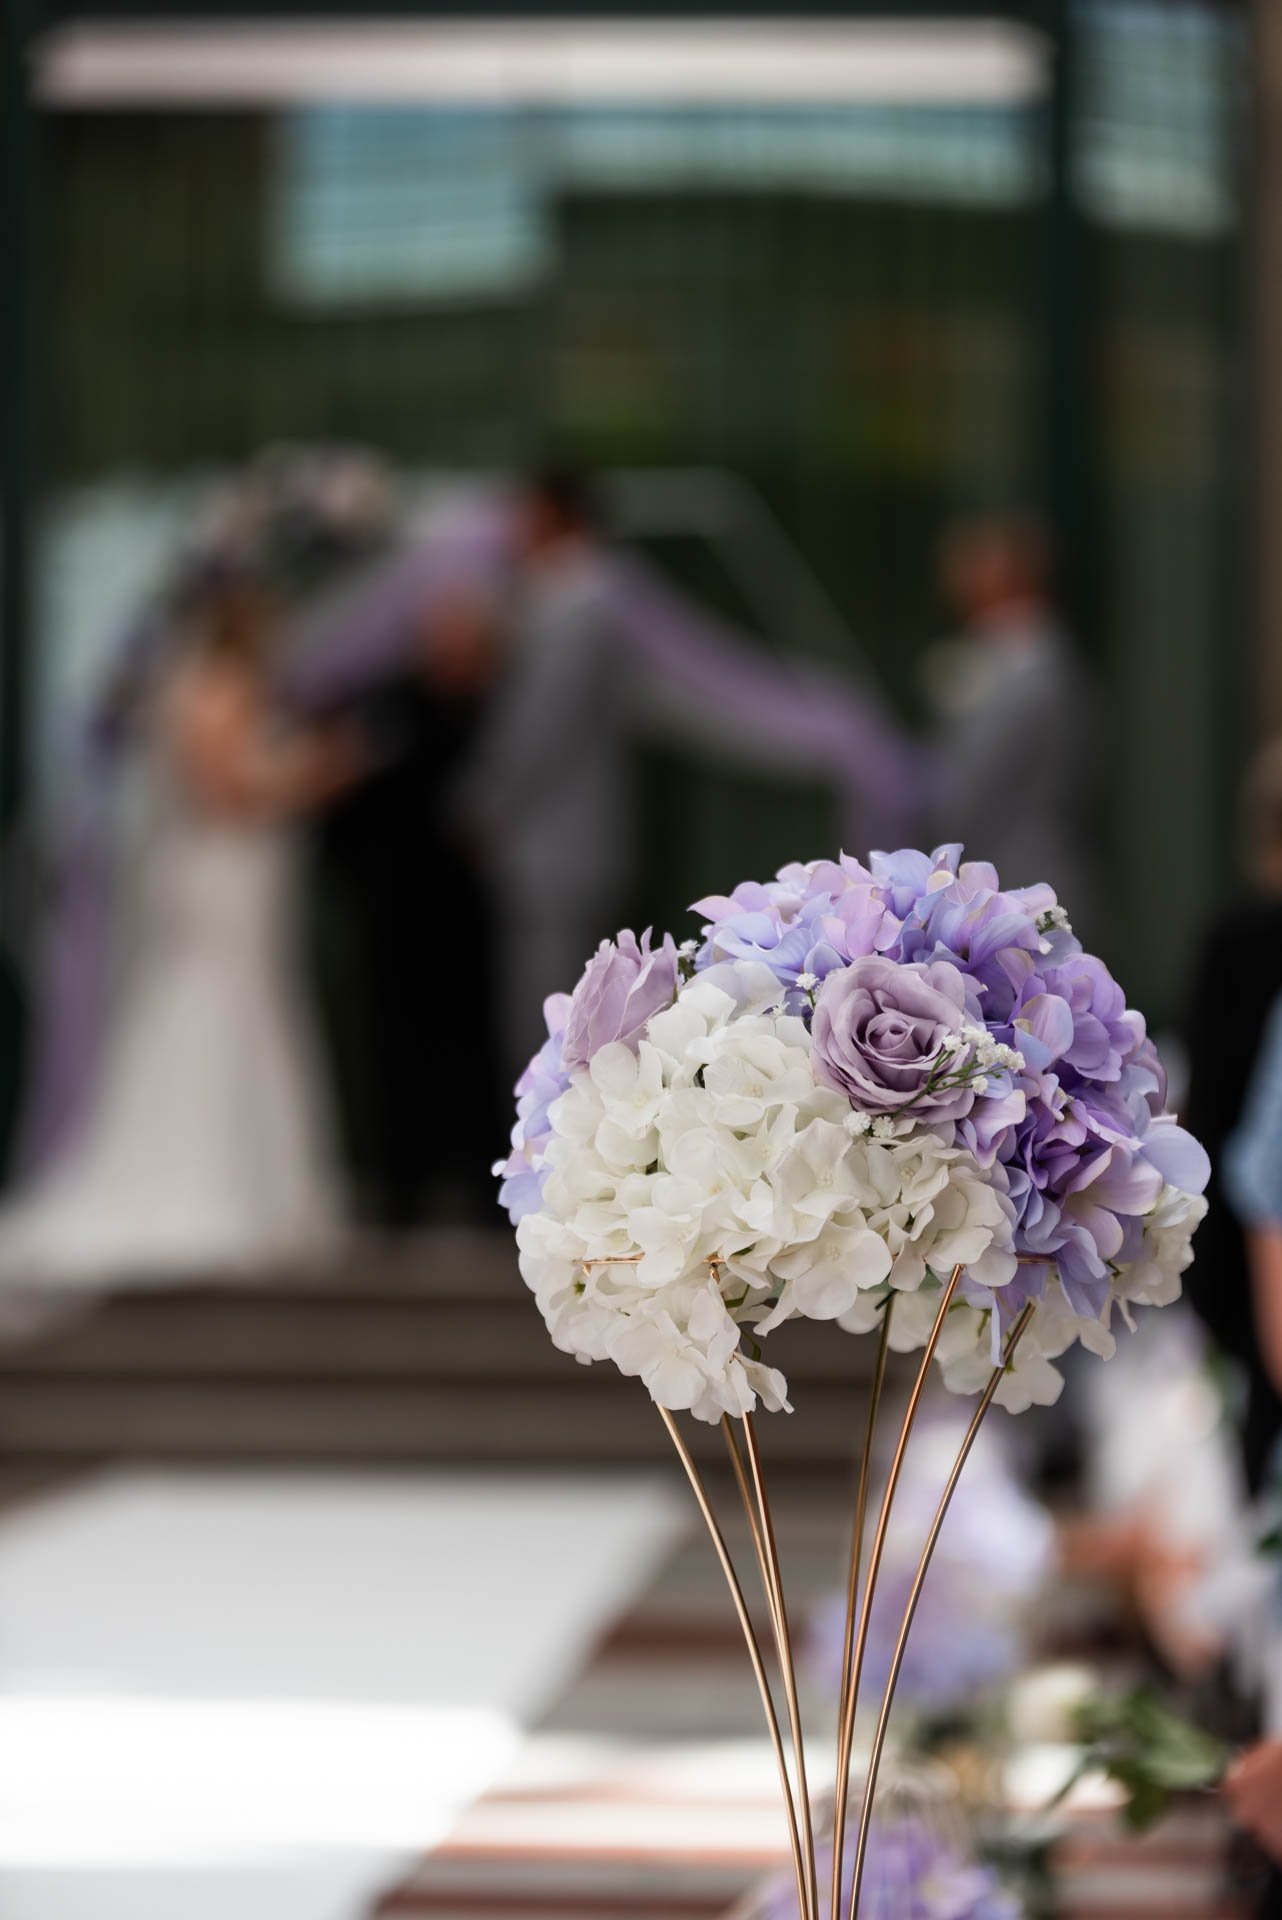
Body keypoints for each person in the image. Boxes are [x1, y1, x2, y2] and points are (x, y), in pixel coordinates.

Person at [0, 574, 359, 1299]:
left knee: (244, 1016)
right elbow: (227, 792)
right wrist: (310, 773)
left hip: (233, 881)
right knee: (218, 1017)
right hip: (223, 880)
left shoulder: (205, 688)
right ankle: (219, 1193)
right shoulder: (218, 691)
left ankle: (258, 1192)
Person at [310, 590, 503, 1228]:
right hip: (393, 909)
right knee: (393, 1048)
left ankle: (480, 1188)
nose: (451, 652)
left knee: (469, 1048)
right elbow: (345, 805)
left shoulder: (496, 711)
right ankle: (400, 1190)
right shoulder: (389, 708)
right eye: (442, 639)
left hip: (464, 913)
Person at [456, 465, 632, 1082]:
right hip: (558, 847)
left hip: (556, 851)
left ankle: (546, 1163)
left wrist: (483, 802)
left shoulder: (578, 608)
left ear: (558, 517)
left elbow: (540, 732)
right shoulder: (558, 603)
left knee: (548, 1023)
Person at [921, 513, 1095, 921]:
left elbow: (969, 787)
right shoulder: (1020, 660)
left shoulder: (1029, 669)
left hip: (1023, 889)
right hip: (1017, 881)